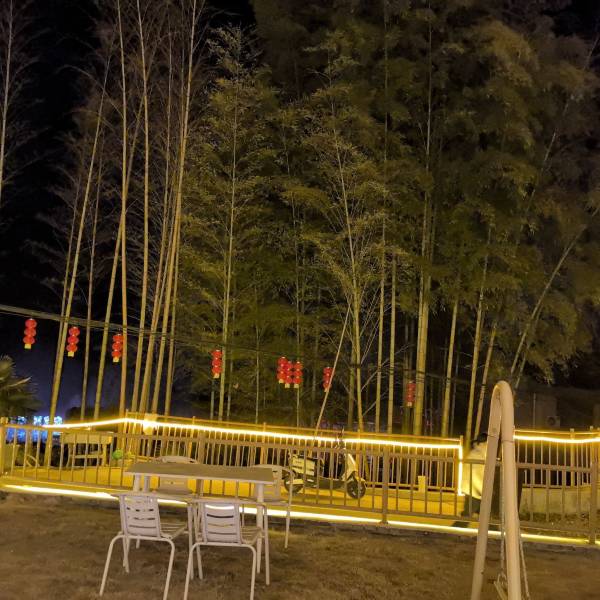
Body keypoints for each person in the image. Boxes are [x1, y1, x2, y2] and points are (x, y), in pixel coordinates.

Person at [454, 433, 488, 527]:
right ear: (484, 443)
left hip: (474, 490)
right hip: (474, 491)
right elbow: (475, 475)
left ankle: (492, 530)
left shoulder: (478, 453)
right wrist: (481, 489)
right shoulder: (477, 455)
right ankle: (454, 530)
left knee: (486, 515)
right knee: (467, 516)